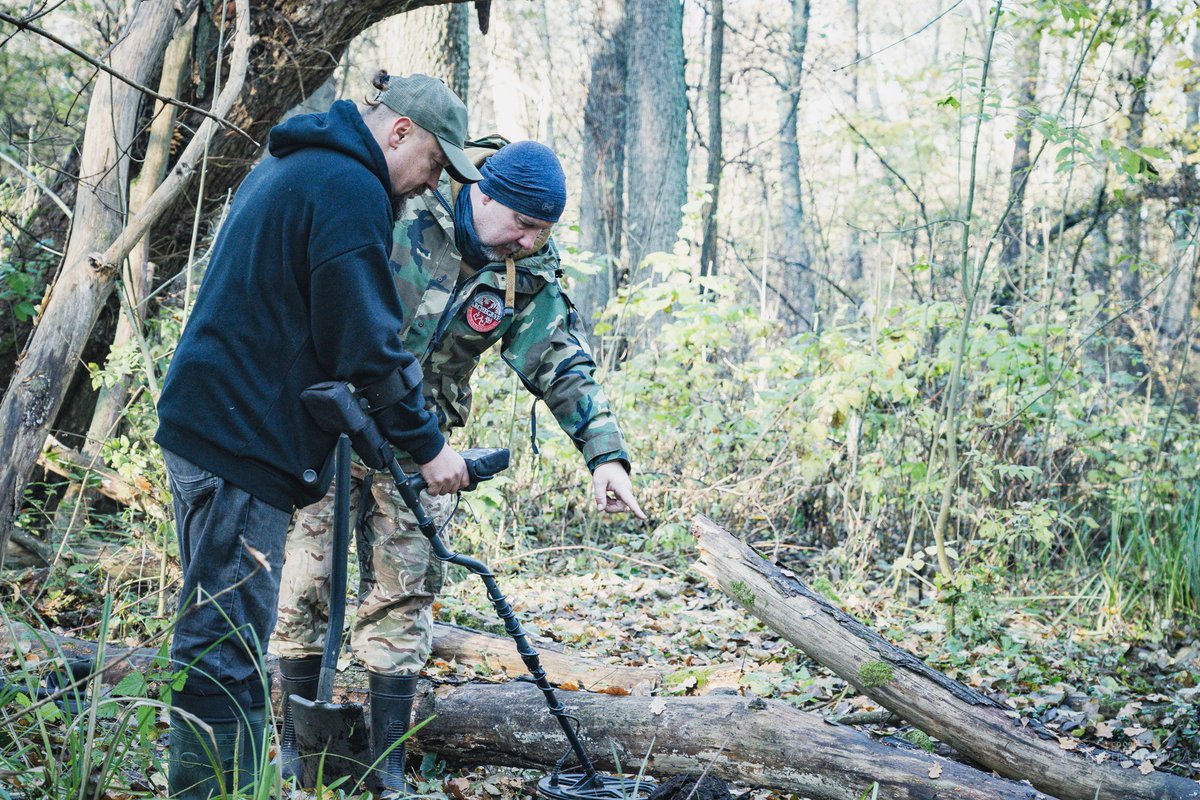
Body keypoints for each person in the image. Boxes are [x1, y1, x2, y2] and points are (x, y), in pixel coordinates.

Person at [272, 137, 645, 791]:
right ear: (482, 192)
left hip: (423, 449)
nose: (530, 240)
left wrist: (605, 455)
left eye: (543, 230)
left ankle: (386, 765)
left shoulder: (525, 269)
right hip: (325, 426)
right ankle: (292, 751)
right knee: (303, 585)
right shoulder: (403, 202)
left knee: (405, 594)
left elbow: (559, 358)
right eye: (522, 224)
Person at [153, 73, 482, 799]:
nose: (433, 182)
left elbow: (318, 328)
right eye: (434, 162)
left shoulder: (300, 165)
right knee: (223, 644)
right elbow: (366, 343)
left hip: (217, 427)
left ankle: (234, 786)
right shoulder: (347, 187)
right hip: (238, 441)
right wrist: (429, 448)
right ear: (399, 131)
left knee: (227, 632)